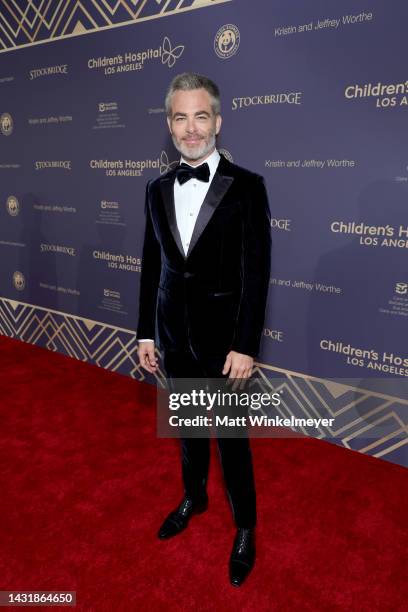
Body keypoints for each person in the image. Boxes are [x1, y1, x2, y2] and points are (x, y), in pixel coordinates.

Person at [137, 72, 271, 586]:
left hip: (224, 346)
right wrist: (147, 333)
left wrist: (245, 345)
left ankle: (245, 527)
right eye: (179, 117)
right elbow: (154, 265)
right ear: (169, 125)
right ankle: (193, 496)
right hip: (172, 335)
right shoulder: (154, 188)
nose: (190, 129)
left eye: (200, 116)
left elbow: (257, 273)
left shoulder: (248, 187)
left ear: (217, 120)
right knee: (189, 431)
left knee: (232, 440)